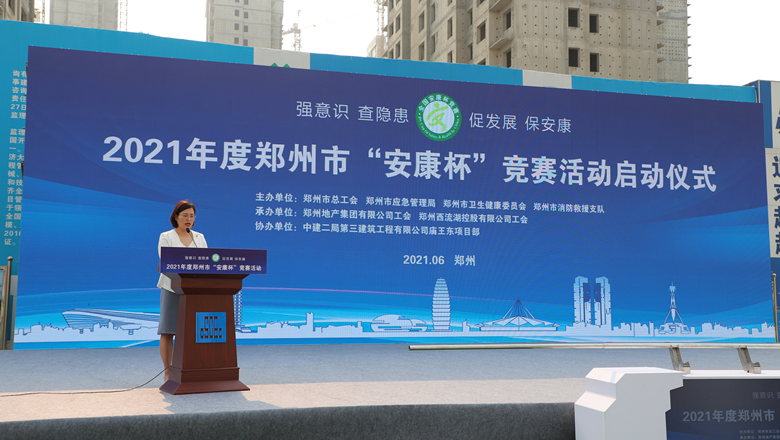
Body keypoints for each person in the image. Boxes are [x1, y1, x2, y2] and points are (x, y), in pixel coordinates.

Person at [157, 200, 207, 381]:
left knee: (192, 332)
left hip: (194, 290)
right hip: (171, 287)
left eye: (192, 216)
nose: (189, 219)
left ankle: (190, 368)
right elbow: (166, 261)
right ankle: (167, 372)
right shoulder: (166, 236)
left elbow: (206, 262)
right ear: (176, 217)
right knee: (168, 330)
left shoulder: (199, 238)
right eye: (185, 215)